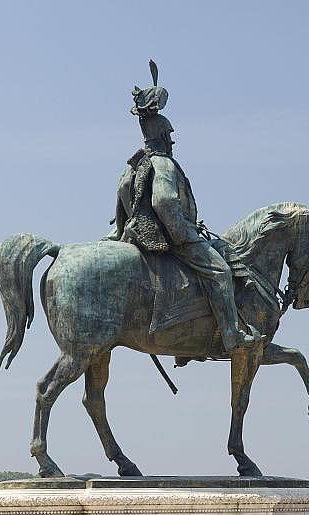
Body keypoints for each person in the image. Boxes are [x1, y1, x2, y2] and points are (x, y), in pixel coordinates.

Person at [109, 62, 257, 355]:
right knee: (221, 272)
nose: (172, 141)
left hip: (132, 234)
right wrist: (187, 234)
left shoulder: (133, 165)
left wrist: (118, 234)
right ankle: (230, 334)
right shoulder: (163, 164)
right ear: (163, 136)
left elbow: (121, 207)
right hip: (170, 239)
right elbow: (163, 203)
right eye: (170, 136)